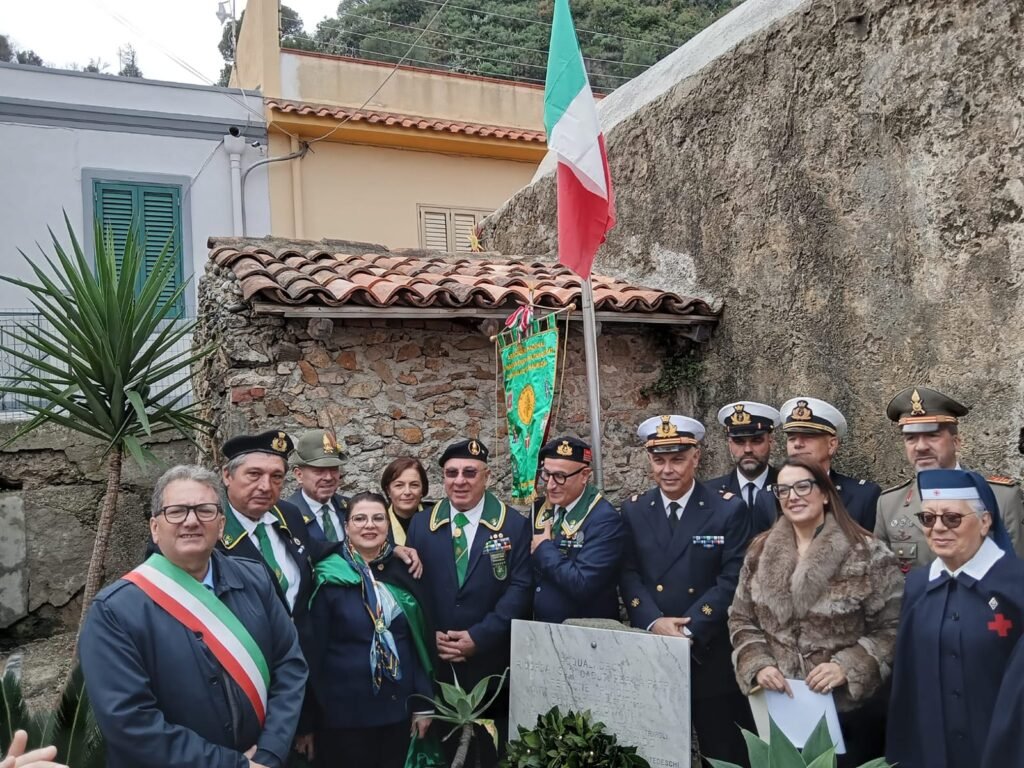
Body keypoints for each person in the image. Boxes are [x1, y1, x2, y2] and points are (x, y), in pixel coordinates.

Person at [79, 465, 308, 768]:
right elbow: (130, 722)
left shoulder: (255, 580)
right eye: (176, 511)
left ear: (222, 523)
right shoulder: (114, 611)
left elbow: (289, 665)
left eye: (205, 510)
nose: (191, 520)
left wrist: (269, 753)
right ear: (155, 527)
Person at [728, 459, 903, 766]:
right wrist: (758, 664)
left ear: (824, 493)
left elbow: (893, 627)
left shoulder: (867, 552)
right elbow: (742, 618)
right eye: (783, 489)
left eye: (802, 486)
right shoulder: (759, 550)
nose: (792, 496)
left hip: (848, 711)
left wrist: (848, 667)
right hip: (782, 707)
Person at [619, 415, 753, 766]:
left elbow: (733, 577)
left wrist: (690, 626)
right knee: (655, 752)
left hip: (708, 651)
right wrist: (654, 622)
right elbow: (628, 573)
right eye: (659, 460)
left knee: (721, 750)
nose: (668, 469)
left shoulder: (727, 509)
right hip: (654, 648)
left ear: (696, 457)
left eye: (677, 459)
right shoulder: (634, 510)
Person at [406, 438, 532, 768]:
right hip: (438, 660)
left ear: (486, 476)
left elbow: (520, 588)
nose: (459, 480)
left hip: (490, 665)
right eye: (451, 473)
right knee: (441, 751)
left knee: (490, 753)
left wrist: (480, 637)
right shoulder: (421, 524)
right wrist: (428, 633)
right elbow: (412, 591)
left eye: (469, 472)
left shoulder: (514, 525)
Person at [887, 469, 1024, 768]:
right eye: (928, 518)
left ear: (985, 522)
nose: (937, 528)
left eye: (952, 518)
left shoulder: (1018, 585)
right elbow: (907, 683)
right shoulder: (918, 585)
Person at [295, 493, 436, 768]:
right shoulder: (327, 577)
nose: (369, 525)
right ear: (346, 526)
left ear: (387, 525)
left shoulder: (405, 571)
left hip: (398, 710)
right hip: (342, 715)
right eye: (360, 519)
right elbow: (312, 655)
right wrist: (306, 721)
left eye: (378, 518)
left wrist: (423, 703)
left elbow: (417, 642)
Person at [875, 386, 1024, 571]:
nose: (921, 447)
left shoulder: (1002, 498)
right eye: (911, 438)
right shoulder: (889, 504)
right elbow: (883, 581)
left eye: (932, 435)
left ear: (956, 442)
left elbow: (1015, 576)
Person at [219, 430, 317, 622]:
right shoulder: (207, 528)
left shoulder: (288, 514)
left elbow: (313, 550)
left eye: (276, 476)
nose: (266, 486)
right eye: (254, 474)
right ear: (227, 476)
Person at [530, 436, 625, 623]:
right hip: (538, 630)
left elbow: (583, 584)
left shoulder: (604, 520)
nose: (550, 485)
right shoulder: (539, 509)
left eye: (560, 476)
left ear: (584, 475)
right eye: (546, 474)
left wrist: (544, 549)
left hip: (583, 635)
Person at [779, 397, 881, 530]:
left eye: (808, 437)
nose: (797, 444)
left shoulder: (863, 496)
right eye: (792, 438)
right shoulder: (769, 497)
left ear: (831, 444)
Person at [706, 401, 782, 534]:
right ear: (729, 444)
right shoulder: (710, 493)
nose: (747, 449)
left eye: (756, 440)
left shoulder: (789, 489)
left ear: (771, 441)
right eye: (739, 441)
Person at [285, 429, 349, 543]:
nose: (329, 477)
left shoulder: (351, 508)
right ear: (299, 475)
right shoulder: (286, 516)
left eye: (334, 469)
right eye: (319, 471)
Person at [381, 456, 432, 546]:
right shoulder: (377, 521)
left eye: (414, 485)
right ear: (388, 490)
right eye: (399, 485)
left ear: (422, 489)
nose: (407, 492)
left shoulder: (437, 517)